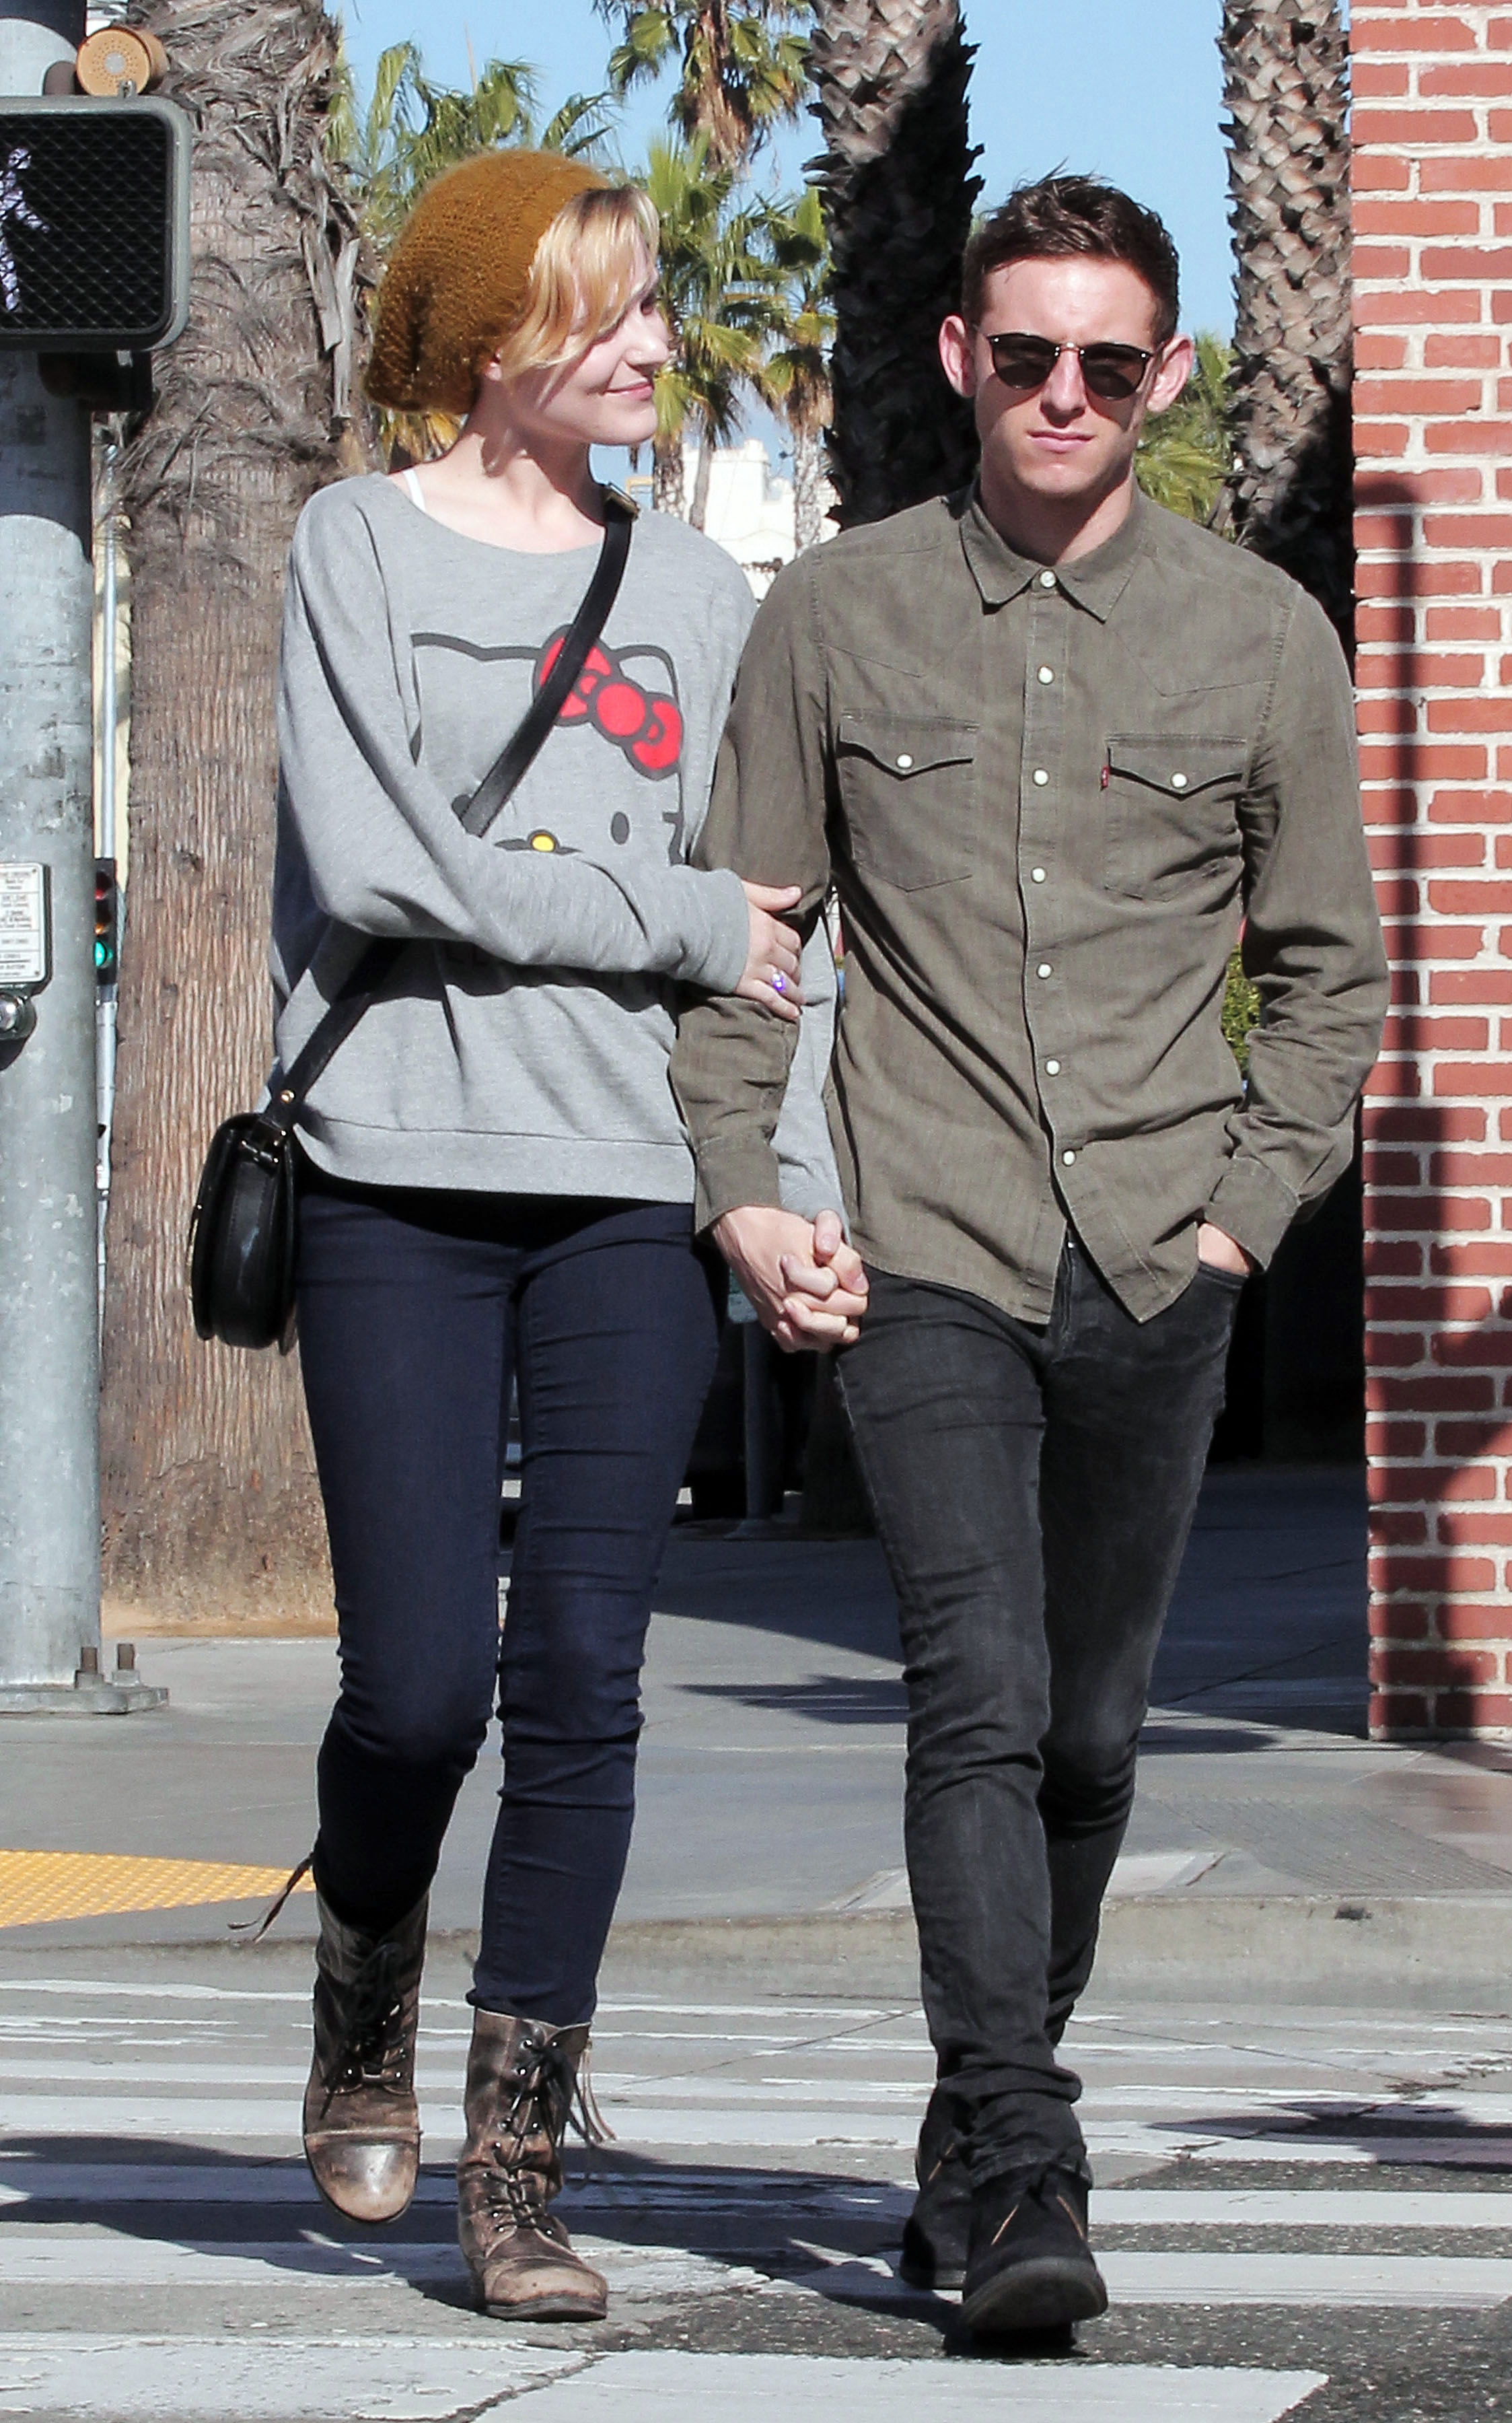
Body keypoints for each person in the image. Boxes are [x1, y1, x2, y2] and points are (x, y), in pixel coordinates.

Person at [671, 174, 1388, 2337]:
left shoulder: (1263, 636)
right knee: (974, 1703)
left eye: (1107, 361)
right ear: (959, 359)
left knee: (1087, 1736)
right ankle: (1016, 2160)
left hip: (1162, 1260)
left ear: (1165, 377)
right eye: (1025, 355)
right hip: (929, 1244)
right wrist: (744, 1189)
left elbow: (1331, 975)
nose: (1062, 394)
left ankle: (967, 2130)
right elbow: (750, 940)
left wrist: (1246, 1213)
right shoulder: (839, 615)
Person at [270, 149, 863, 2326]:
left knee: (586, 1683)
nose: (647, 348)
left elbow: (782, 938)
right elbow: (380, 865)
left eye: (653, 309)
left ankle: (515, 2168)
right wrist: (672, 914)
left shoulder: (699, 594)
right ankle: (362, 1973)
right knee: (419, 1688)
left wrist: (786, 1190)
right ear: (491, 337)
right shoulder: (355, 545)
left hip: (626, 1192)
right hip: (397, 1175)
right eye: (600, 314)